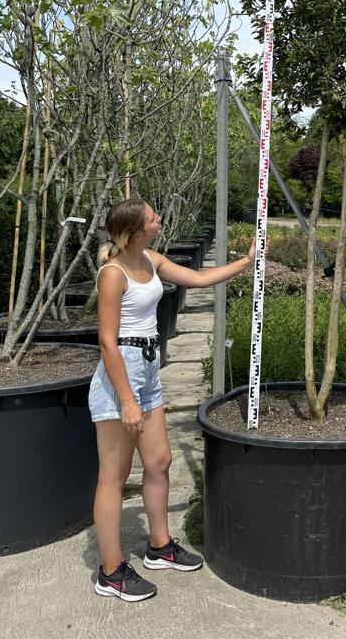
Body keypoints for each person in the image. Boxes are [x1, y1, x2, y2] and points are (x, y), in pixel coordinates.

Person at [88, 198, 255, 602]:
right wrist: (127, 400)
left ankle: (159, 546)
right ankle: (110, 571)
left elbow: (195, 279)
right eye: (151, 216)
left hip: (147, 369)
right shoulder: (113, 274)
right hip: (120, 374)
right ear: (134, 229)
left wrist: (245, 263)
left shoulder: (150, 258)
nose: (158, 218)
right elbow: (107, 342)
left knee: (159, 460)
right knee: (114, 475)